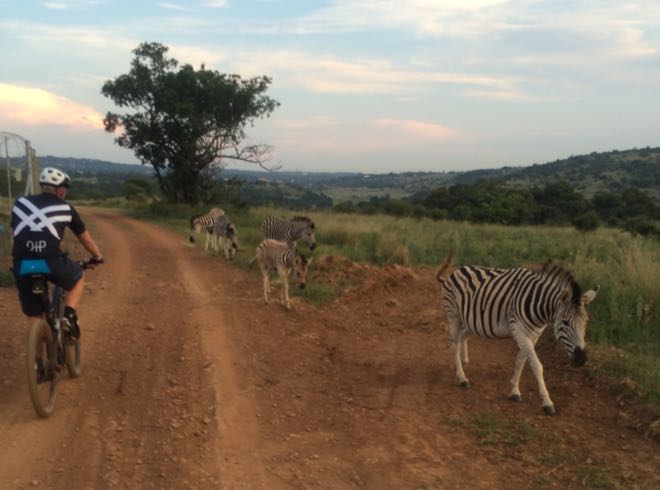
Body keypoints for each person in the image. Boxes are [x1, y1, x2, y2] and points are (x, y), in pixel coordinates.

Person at [11, 167, 103, 338]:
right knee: (78, 276)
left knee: (33, 315)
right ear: (60, 190)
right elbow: (86, 239)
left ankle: (36, 362)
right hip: (50, 262)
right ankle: (69, 317)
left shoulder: (20, 203)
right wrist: (97, 256)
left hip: (23, 264)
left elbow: (15, 232)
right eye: (65, 190)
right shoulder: (66, 208)